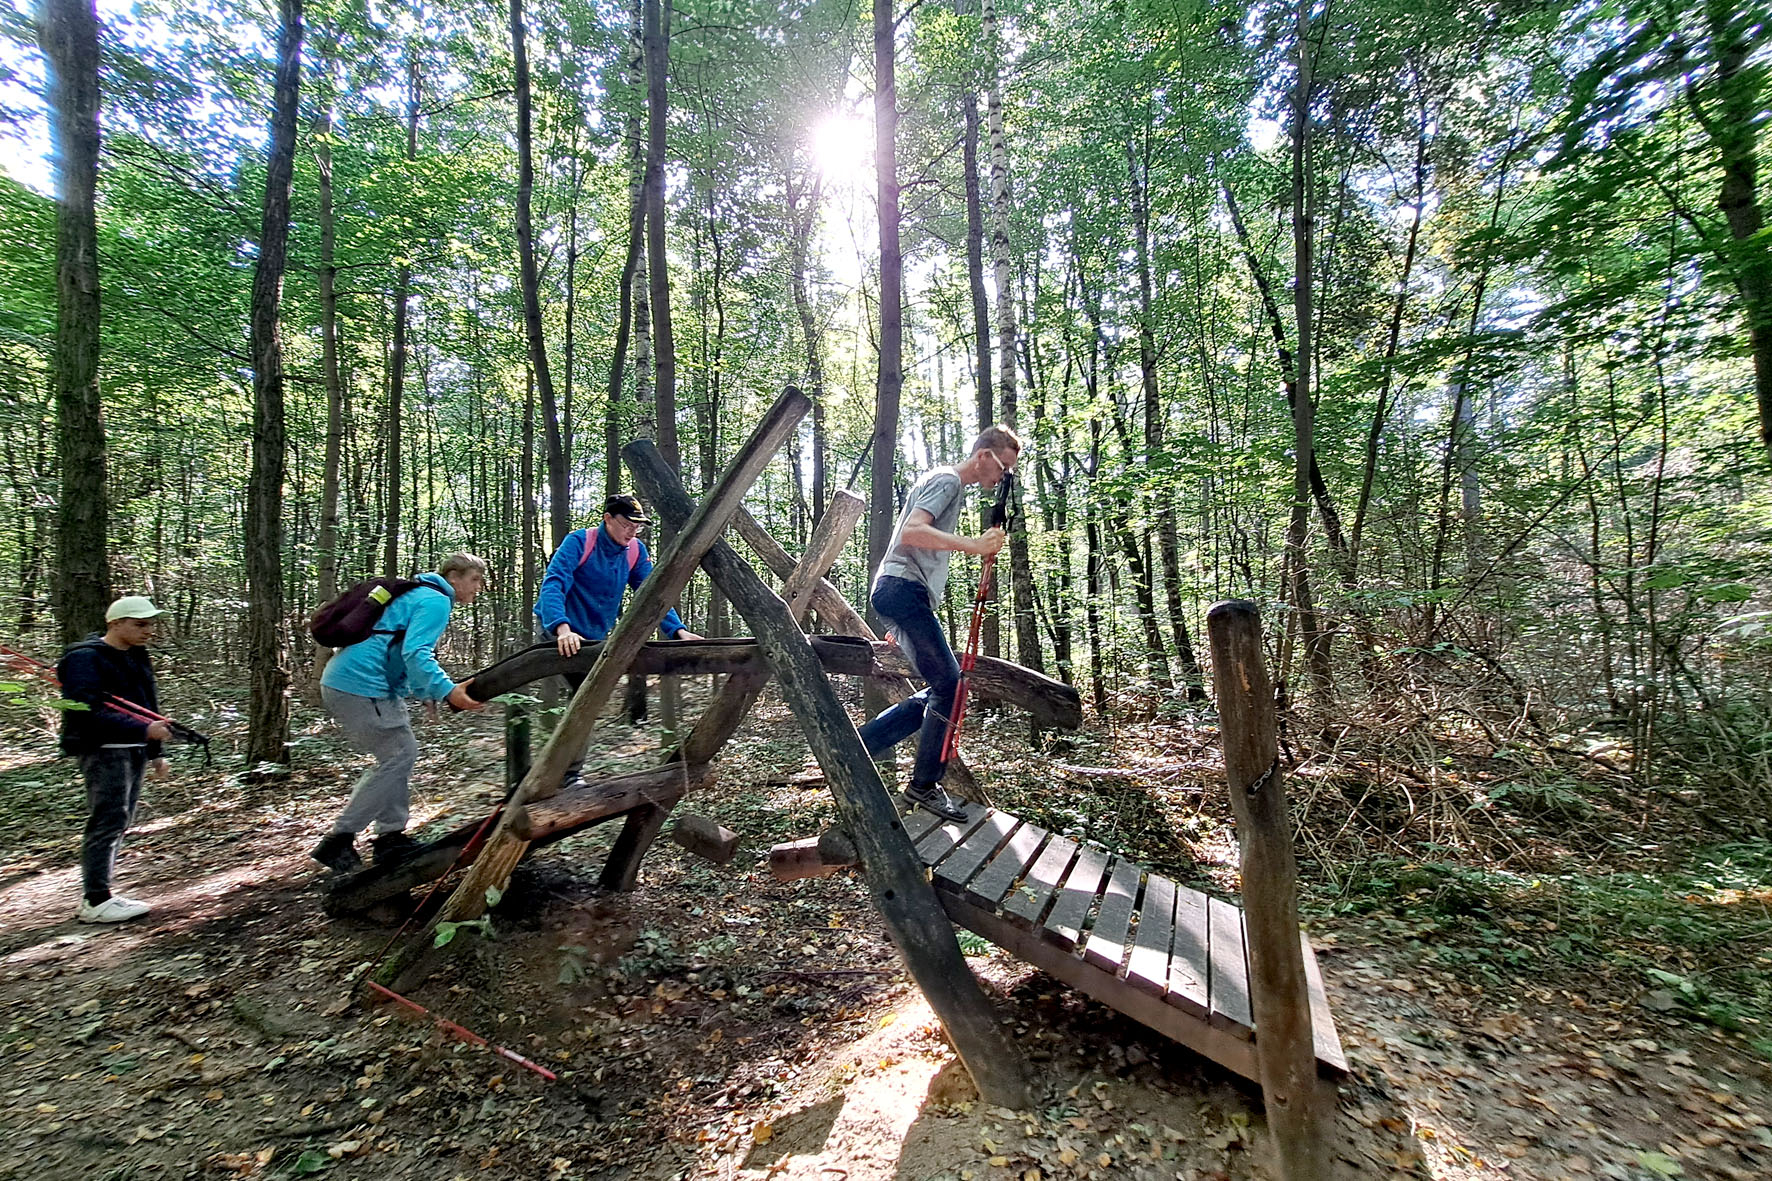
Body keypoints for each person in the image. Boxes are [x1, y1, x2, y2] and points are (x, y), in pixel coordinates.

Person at [859, 425, 1021, 822]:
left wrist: (899, 620)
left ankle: (860, 746)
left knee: (943, 686)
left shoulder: (945, 483)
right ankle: (923, 786)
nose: (1002, 478)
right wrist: (975, 545)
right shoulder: (948, 479)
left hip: (900, 594)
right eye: (1003, 468)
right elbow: (913, 533)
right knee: (950, 685)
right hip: (902, 589)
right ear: (983, 456)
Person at [311, 553, 488, 873]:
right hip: (360, 686)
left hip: (362, 685)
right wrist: (447, 691)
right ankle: (340, 839)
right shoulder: (436, 601)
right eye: (474, 579)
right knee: (399, 755)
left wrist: (425, 692)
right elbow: (415, 653)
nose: (478, 588)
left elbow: (398, 650)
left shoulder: (419, 594)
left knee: (398, 755)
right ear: (453, 576)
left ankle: (390, 837)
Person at [533, 493, 703, 781]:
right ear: (608, 519)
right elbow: (554, 584)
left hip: (593, 638)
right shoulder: (579, 542)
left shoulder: (635, 551)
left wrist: (678, 630)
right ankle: (566, 775)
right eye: (627, 524)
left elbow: (653, 594)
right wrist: (562, 628)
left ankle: (560, 772)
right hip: (558, 632)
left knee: (587, 699)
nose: (632, 531)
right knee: (587, 698)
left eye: (638, 526)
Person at [59, 595, 178, 923]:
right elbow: (83, 711)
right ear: (115, 624)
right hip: (103, 750)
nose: (148, 630)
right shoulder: (84, 658)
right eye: (140, 624)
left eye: (150, 624)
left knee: (119, 820)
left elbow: (147, 705)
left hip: (132, 749)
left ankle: (101, 894)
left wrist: (155, 751)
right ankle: (95, 900)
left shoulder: (137, 655)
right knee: (108, 820)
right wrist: (144, 731)